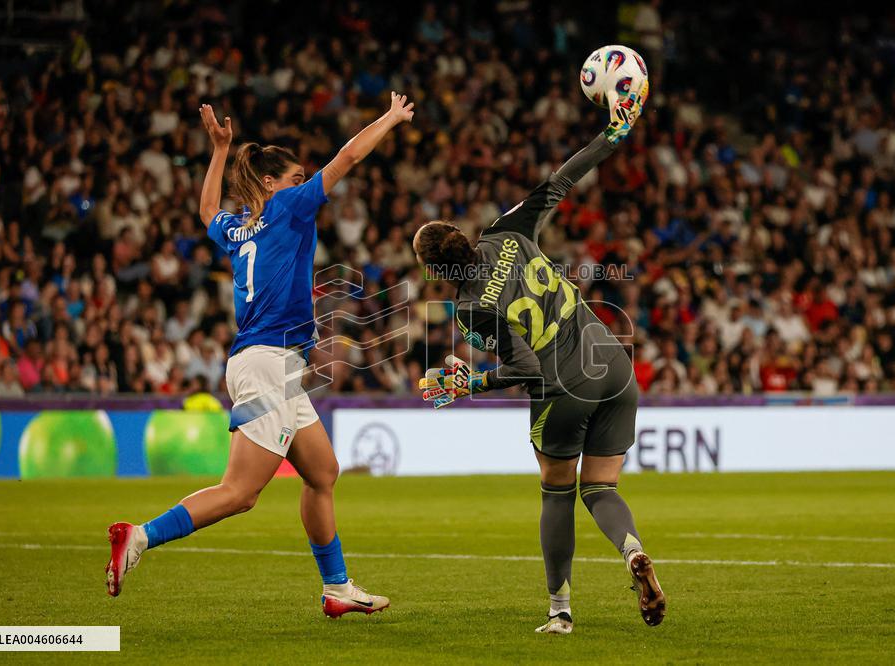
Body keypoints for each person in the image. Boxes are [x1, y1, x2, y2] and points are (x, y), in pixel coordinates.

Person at [105, 92, 415, 619]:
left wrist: (219, 150)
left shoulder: (238, 228)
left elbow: (207, 211)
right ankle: (138, 536)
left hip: (274, 366)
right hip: (268, 362)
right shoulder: (288, 207)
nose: (305, 184)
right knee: (240, 493)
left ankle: (336, 586)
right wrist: (388, 119)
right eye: (295, 177)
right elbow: (348, 159)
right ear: (271, 184)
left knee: (322, 472)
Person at [414, 78, 665, 634]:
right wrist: (613, 133)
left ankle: (560, 612)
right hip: (613, 361)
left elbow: (526, 370)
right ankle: (632, 553)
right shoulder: (504, 232)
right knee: (601, 488)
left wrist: (468, 385)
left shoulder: (469, 308)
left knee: (557, 491)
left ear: (436, 271)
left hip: (566, 386)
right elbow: (562, 180)